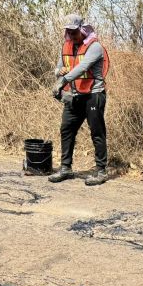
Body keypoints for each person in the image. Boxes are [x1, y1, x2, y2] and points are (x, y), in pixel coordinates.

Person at [49, 14, 111, 186]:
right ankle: (65, 168)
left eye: (74, 32)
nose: (71, 35)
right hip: (74, 95)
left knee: (97, 132)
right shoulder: (66, 46)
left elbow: (82, 67)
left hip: (93, 95)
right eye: (69, 32)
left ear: (82, 30)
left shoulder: (95, 46)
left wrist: (62, 81)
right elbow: (58, 67)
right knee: (66, 129)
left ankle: (101, 171)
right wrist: (58, 72)